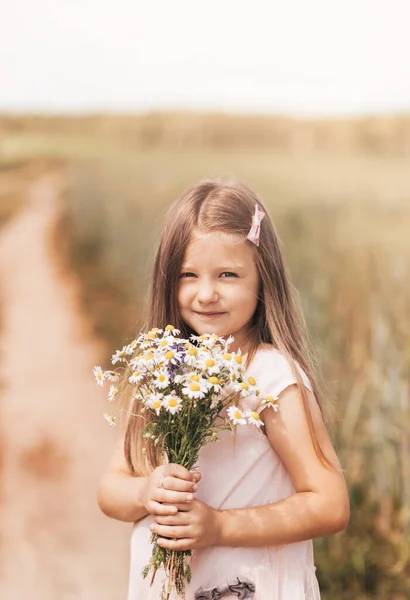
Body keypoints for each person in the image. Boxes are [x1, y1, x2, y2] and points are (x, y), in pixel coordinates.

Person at [97, 180, 350, 599]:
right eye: (188, 275)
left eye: (228, 275)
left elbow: (329, 503)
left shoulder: (269, 377)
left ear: (262, 279)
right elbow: (111, 490)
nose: (207, 293)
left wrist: (219, 526)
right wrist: (147, 492)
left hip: (246, 586)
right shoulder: (167, 370)